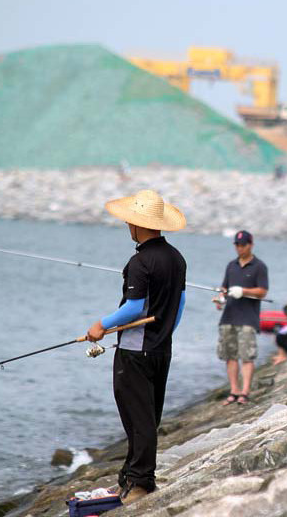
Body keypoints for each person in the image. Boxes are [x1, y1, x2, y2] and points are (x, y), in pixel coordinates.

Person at [86, 189, 187, 504]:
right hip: (161, 350)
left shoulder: (140, 262)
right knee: (148, 417)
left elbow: (133, 308)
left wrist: (101, 325)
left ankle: (141, 483)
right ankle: (131, 477)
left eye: (130, 220)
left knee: (137, 418)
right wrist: (164, 333)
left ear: (138, 224)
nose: (127, 225)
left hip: (134, 352)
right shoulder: (177, 258)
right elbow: (180, 304)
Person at [214, 230, 269, 406]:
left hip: (248, 319)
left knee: (246, 356)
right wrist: (220, 299)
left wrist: (243, 291)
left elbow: (262, 291)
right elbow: (224, 289)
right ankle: (234, 391)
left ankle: (245, 392)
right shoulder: (231, 265)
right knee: (230, 356)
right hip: (228, 317)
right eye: (237, 245)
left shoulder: (259, 266)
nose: (239, 248)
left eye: (243, 245)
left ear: (251, 245)